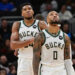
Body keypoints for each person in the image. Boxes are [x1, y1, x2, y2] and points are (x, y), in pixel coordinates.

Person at [10, 2, 47, 75]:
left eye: (29, 9)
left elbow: (51, 39)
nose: (28, 10)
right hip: (24, 60)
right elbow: (13, 45)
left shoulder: (41, 24)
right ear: (22, 13)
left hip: (39, 59)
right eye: (25, 9)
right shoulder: (17, 24)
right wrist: (32, 40)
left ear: (33, 11)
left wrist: (20, 44)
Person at [33, 11, 75, 75]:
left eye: (56, 14)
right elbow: (36, 58)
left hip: (61, 69)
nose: (54, 15)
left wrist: (71, 73)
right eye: (51, 14)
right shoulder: (40, 36)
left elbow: (67, 59)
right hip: (46, 69)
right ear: (47, 19)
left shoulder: (65, 37)